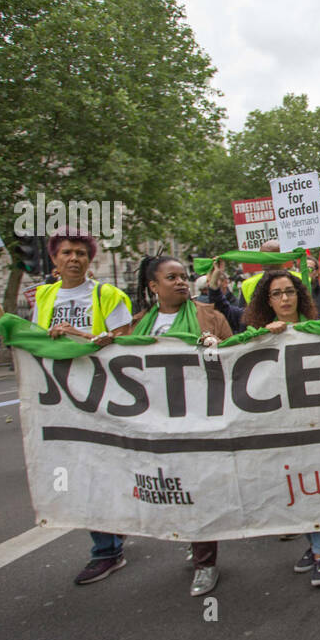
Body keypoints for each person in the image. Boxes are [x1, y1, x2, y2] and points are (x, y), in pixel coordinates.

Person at [31, 229, 135, 586]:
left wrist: (81, 337)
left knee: (111, 468)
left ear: (91, 260)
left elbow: (127, 343)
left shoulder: (108, 295)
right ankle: (105, 549)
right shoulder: (42, 296)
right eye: (65, 253)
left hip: (105, 395)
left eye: (80, 253)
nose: (73, 258)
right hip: (62, 399)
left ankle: (117, 533)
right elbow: (34, 342)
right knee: (82, 470)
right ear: (54, 260)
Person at [129, 254, 234, 595]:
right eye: (171, 277)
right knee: (174, 488)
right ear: (153, 286)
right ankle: (196, 539)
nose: (181, 282)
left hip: (201, 418)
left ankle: (206, 562)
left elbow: (237, 356)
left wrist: (220, 349)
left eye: (184, 276)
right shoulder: (141, 324)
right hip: (158, 421)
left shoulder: (209, 317)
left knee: (198, 488)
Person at [238, 269, 320, 583]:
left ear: (300, 295)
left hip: (315, 423)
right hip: (279, 427)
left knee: (316, 488)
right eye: (277, 294)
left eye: (289, 291)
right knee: (294, 490)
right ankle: (311, 544)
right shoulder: (257, 337)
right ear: (268, 300)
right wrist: (262, 335)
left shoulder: (316, 329)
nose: (285, 299)